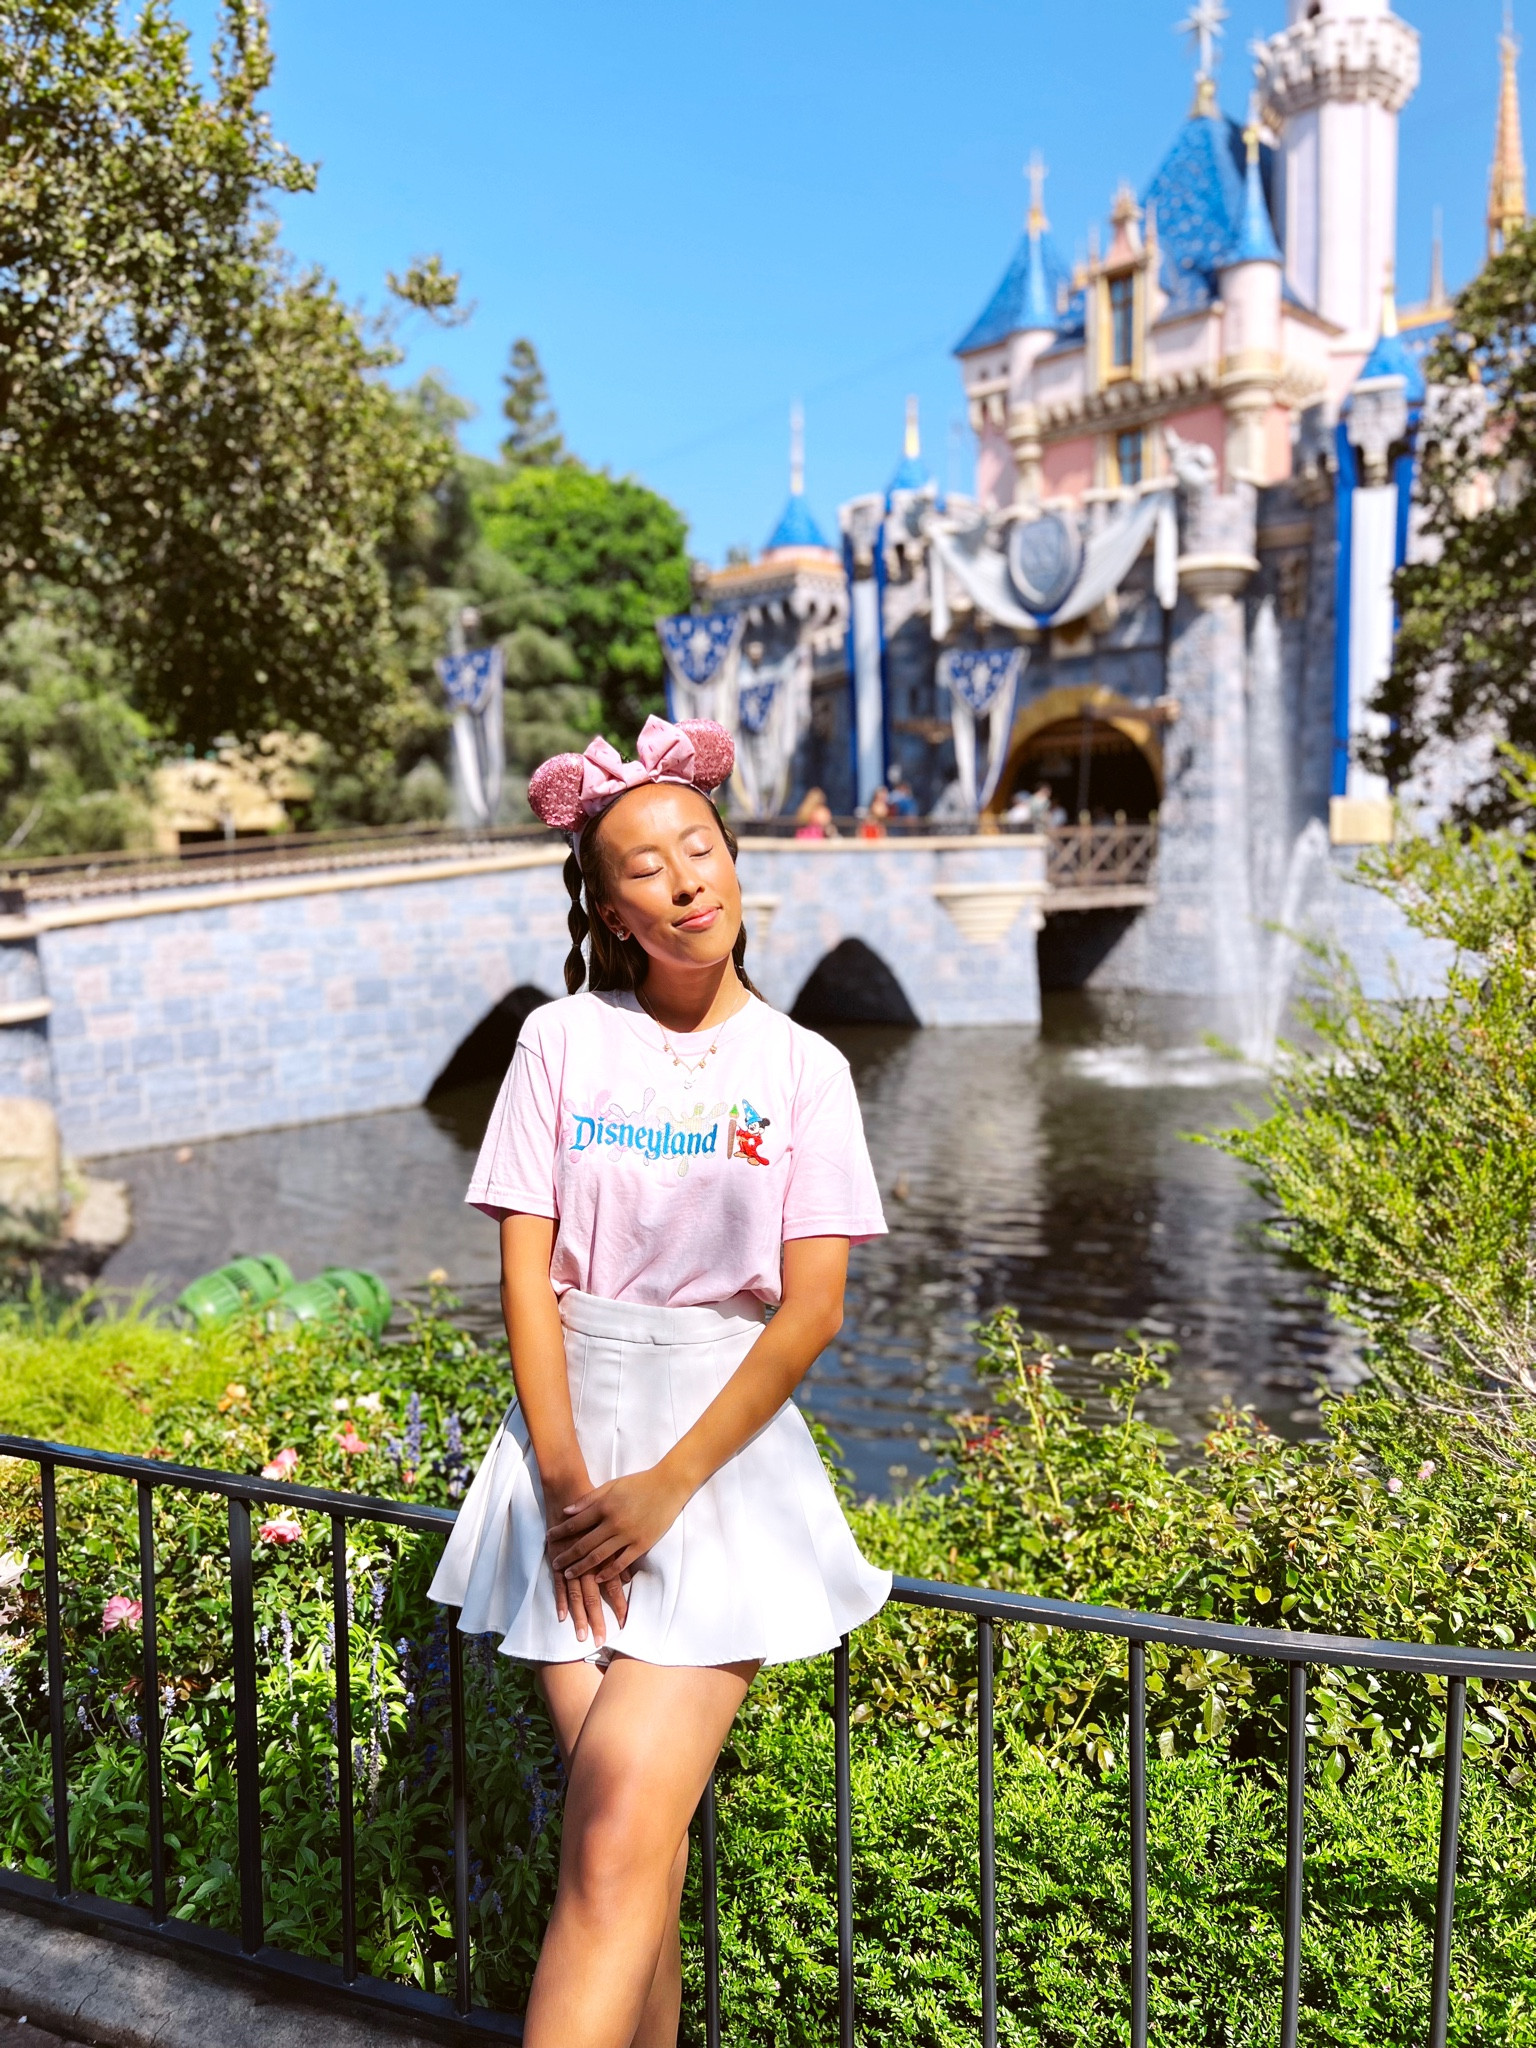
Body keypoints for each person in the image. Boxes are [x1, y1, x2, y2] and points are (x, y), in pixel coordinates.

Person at [429, 715, 890, 2048]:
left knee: (616, 1841)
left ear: (735, 866)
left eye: (701, 849)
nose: (686, 879)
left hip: (717, 1474)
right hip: (563, 1466)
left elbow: (809, 1317)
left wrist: (659, 1493)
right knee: (635, 1862)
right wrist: (572, 1486)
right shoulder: (560, 1045)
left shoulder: (806, 1072)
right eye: (647, 865)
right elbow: (524, 1275)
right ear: (613, 908)